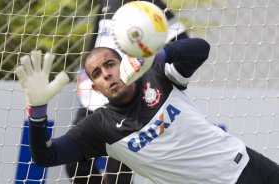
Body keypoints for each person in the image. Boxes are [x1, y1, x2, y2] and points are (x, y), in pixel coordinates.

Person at [16, 35, 279, 184]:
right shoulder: (99, 127)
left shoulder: (157, 76)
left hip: (246, 164)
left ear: (124, 64)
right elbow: (45, 157)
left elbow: (201, 49)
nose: (106, 74)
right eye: (97, 73)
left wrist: (158, 55)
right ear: (95, 88)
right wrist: (37, 111)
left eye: (110, 64)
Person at [68, 0, 190, 183]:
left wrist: (148, 70)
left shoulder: (151, 6)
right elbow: (96, 43)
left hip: (130, 102)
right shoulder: (107, 3)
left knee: (118, 173)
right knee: (75, 164)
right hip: (96, 98)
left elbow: (183, 41)